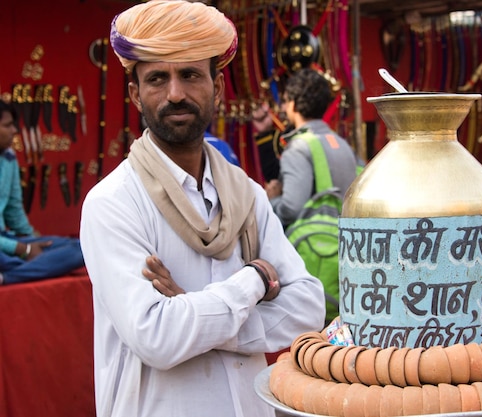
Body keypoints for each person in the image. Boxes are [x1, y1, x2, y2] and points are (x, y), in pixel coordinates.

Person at [79, 2, 325, 417]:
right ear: (137, 94)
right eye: (158, 78)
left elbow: (307, 309)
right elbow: (157, 337)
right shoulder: (113, 203)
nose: (175, 93)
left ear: (218, 86)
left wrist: (192, 309)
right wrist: (254, 280)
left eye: (190, 75)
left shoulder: (246, 194)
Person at [0, 100, 84, 285]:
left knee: (80, 248)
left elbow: (14, 212)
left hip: (6, 240)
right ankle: (21, 270)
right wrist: (23, 248)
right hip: (7, 246)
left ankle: (8, 275)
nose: (15, 130)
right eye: (7, 125)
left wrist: (33, 242)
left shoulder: (8, 158)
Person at [264, 68, 358, 227]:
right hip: (343, 244)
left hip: (311, 247)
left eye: (285, 101)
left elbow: (291, 209)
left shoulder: (298, 149)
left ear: (293, 104)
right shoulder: (341, 144)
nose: (283, 108)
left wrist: (271, 201)